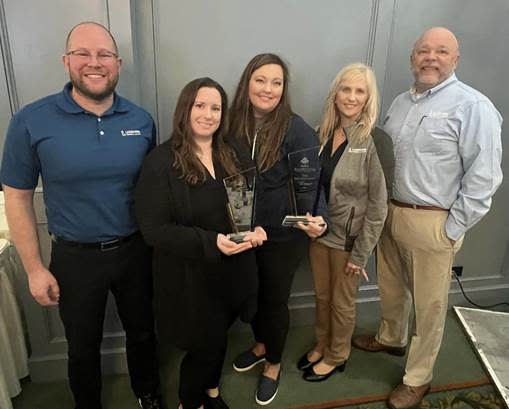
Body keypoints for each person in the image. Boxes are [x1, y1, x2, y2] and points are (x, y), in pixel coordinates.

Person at [0, 22, 161, 409]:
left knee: (143, 333)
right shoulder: (30, 121)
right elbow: (17, 198)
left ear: (118, 64)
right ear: (66, 61)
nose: (94, 62)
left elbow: (154, 191)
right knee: (82, 344)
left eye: (104, 54)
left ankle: (149, 395)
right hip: (74, 258)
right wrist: (35, 268)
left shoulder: (140, 121)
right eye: (82, 54)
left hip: (134, 250)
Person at [352, 27, 503, 409]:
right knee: (391, 287)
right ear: (412, 58)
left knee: (430, 306)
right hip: (390, 213)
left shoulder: (473, 106)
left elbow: (485, 176)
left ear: (456, 58)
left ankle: (417, 378)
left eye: (440, 51)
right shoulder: (401, 102)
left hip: (433, 222)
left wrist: (452, 228)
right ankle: (391, 337)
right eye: (423, 51)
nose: (430, 58)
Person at [134, 77, 267, 409]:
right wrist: (212, 242)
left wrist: (254, 230)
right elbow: (154, 230)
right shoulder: (161, 162)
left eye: (216, 107)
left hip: (231, 270)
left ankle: (211, 392)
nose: (208, 114)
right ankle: (188, 402)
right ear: (185, 109)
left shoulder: (231, 151)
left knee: (219, 335)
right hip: (188, 277)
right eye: (200, 105)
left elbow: (242, 207)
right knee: (203, 346)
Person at [229, 53, 327, 405]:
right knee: (250, 297)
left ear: (284, 89)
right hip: (242, 232)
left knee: (273, 301)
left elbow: (310, 186)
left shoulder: (296, 128)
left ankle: (272, 364)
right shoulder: (230, 123)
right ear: (247, 82)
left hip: (282, 237)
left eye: (276, 82)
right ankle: (260, 344)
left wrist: (315, 219)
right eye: (260, 80)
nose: (267, 89)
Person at [297, 63, 388, 382]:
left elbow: (378, 204)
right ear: (335, 93)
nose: (351, 97)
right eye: (345, 89)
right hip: (319, 236)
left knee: (342, 302)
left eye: (359, 91)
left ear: (368, 98)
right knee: (322, 297)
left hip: (349, 243)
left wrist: (362, 252)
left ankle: (337, 355)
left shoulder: (373, 140)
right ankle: (322, 344)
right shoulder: (322, 132)